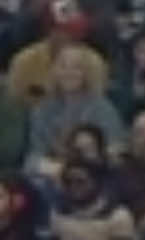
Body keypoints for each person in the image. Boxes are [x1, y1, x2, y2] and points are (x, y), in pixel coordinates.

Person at [26, 42, 123, 176]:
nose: (68, 73)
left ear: (87, 73)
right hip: (54, 174)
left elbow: (115, 151)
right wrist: (58, 168)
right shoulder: (42, 109)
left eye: (76, 68)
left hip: (95, 174)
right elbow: (34, 156)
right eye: (63, 66)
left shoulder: (103, 109)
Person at [7, 0, 108, 106]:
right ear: (51, 32)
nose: (73, 40)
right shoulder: (24, 63)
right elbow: (13, 106)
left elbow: (96, 108)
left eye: (77, 35)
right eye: (66, 33)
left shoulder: (93, 63)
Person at [45, 152, 134, 240]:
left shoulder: (117, 215)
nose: (74, 186)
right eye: (68, 182)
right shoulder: (59, 214)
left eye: (80, 181)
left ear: (96, 181)